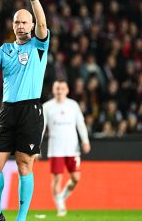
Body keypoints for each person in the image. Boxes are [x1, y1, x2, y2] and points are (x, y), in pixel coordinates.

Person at [0, 0, 50, 220]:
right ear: (13, 25)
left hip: (30, 109)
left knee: (24, 165)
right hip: (7, 110)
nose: (20, 26)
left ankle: (20, 219)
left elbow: (43, 23)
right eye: (17, 22)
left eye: (24, 22)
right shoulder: (5, 49)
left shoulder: (39, 46)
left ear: (31, 25)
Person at [42, 80, 91, 216]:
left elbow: (80, 124)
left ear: (67, 90)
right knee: (57, 178)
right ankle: (60, 207)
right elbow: (41, 128)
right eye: (57, 88)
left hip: (72, 148)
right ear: (53, 90)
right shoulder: (47, 107)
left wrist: (85, 140)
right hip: (56, 149)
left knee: (76, 178)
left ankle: (61, 197)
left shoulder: (73, 105)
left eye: (62, 88)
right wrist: (37, 146)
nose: (59, 91)